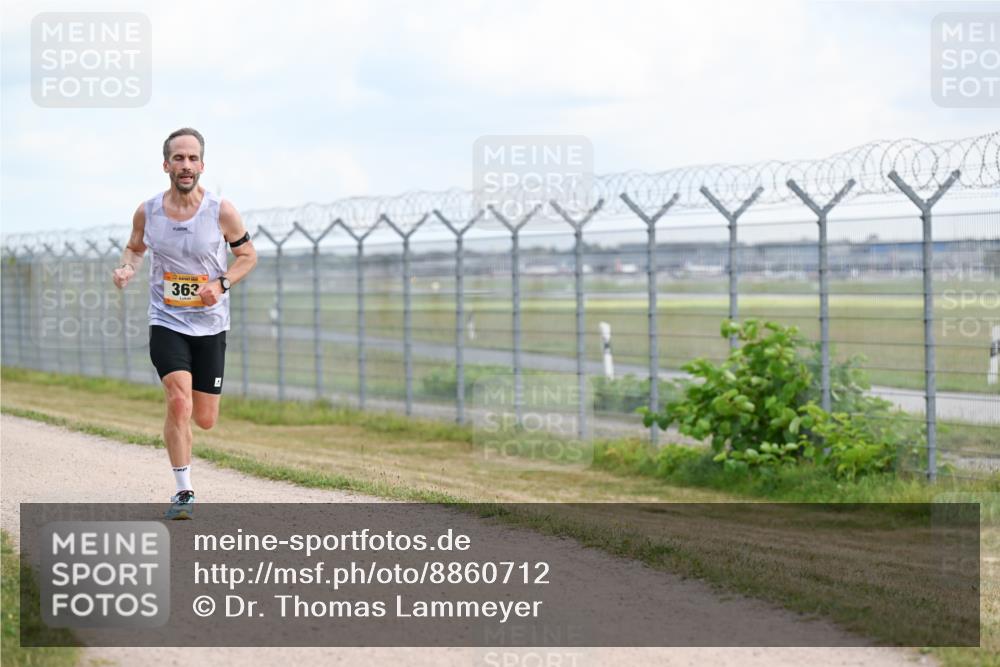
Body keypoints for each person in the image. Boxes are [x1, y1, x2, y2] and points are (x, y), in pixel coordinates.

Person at [112, 127, 257, 519]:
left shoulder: (221, 211)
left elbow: (248, 256)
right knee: (179, 400)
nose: (186, 165)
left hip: (210, 324)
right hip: (167, 319)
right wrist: (127, 268)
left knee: (204, 418)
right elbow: (134, 248)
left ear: (202, 165)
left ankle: (187, 424)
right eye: (179, 158)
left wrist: (221, 284)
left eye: (193, 158)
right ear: (166, 165)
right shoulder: (148, 211)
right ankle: (183, 491)